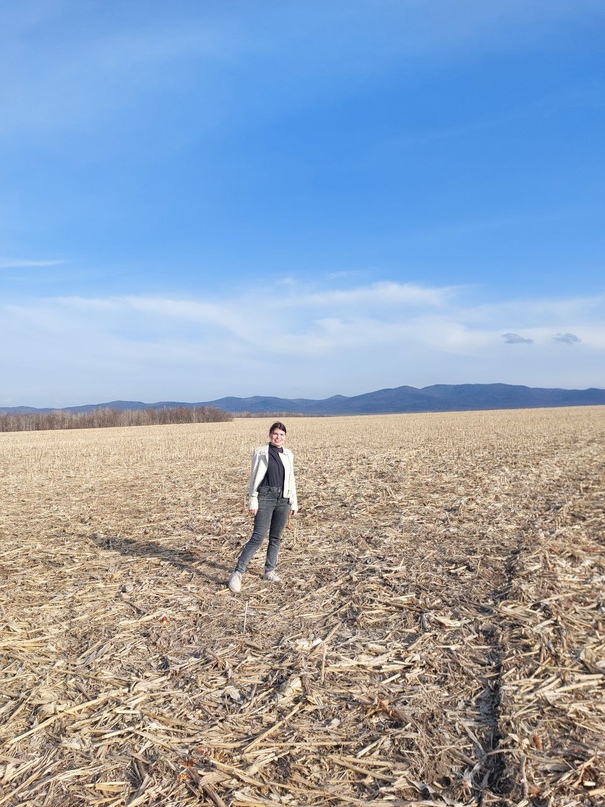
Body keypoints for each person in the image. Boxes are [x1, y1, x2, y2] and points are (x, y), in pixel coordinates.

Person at [228, 422, 298, 593]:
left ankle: (269, 570)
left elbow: (291, 479)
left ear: (285, 437)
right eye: (275, 434)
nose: (278, 437)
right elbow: (254, 478)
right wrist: (253, 500)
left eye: (281, 434)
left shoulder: (288, 454)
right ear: (269, 435)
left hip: (283, 498)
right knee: (258, 537)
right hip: (265, 496)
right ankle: (238, 572)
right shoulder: (260, 452)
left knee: (276, 537)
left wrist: (294, 502)